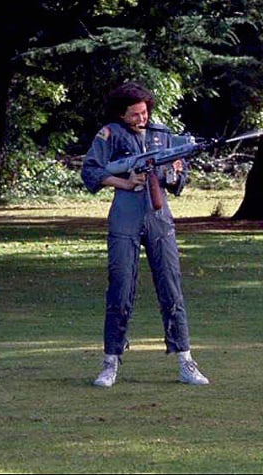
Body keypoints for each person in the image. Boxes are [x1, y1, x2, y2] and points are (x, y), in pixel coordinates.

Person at [81, 81, 209, 387]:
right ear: (122, 115)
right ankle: (111, 361)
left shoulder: (164, 136)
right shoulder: (109, 134)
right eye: (136, 114)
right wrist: (126, 182)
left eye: (145, 112)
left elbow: (177, 184)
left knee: (171, 286)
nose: (143, 118)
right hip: (125, 217)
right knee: (121, 287)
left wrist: (176, 171)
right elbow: (91, 171)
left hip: (159, 218)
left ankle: (185, 360)